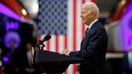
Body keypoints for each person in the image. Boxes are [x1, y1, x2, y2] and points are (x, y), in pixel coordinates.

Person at [61, 2, 108, 74]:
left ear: (92, 14)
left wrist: (69, 53)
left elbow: (89, 53)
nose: (80, 15)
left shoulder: (98, 30)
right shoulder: (92, 29)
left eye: (83, 13)